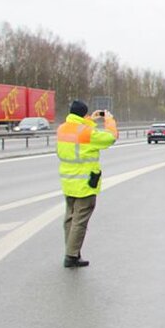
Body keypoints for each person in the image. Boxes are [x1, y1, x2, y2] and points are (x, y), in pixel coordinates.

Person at [56, 99, 118, 268]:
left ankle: (71, 250)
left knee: (70, 218)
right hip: (85, 184)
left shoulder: (62, 128)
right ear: (84, 114)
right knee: (80, 221)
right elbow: (111, 138)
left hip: (68, 181)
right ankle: (71, 256)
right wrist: (109, 121)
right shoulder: (87, 133)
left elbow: (79, 130)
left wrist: (90, 120)